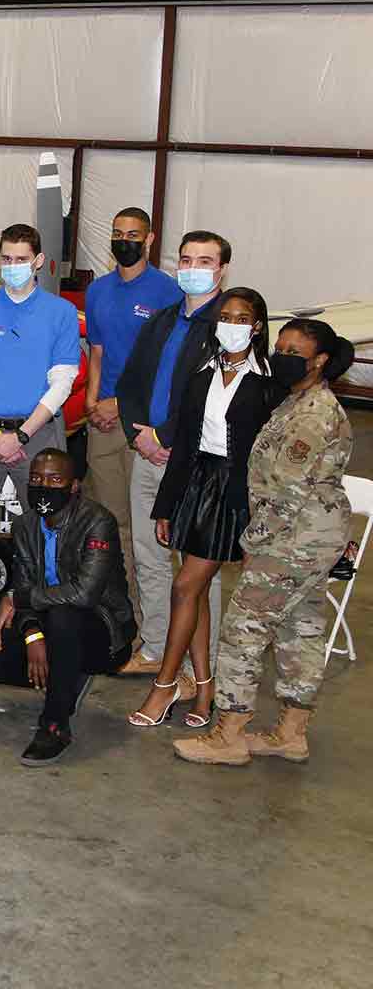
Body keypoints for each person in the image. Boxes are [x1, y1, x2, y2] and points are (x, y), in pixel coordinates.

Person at [175, 319, 356, 766]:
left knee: (243, 631)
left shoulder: (312, 414)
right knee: (301, 632)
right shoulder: (297, 401)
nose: (283, 354)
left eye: (296, 350)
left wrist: (253, 541)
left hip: (292, 540)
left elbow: (287, 492)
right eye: (281, 345)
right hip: (310, 539)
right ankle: (291, 733)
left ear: (320, 361)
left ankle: (229, 734)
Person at [130, 288, 275, 729]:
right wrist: (166, 506)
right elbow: (184, 447)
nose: (231, 325)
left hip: (235, 494)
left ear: (257, 326)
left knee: (185, 586)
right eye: (225, 317)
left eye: (242, 317)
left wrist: (259, 517)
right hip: (195, 485)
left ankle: (166, 684)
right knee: (196, 592)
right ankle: (206, 686)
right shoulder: (202, 374)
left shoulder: (270, 381)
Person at [0, 448, 136, 765]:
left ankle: (55, 724)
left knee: (63, 616)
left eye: (55, 479)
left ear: (74, 486)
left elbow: (84, 594)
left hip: (104, 628)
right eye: (36, 479)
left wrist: (18, 600)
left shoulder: (98, 522)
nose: (44, 486)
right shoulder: (24, 525)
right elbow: (25, 582)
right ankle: (67, 675)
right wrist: (31, 634)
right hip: (48, 621)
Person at [115, 230, 231, 674]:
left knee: (196, 571)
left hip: (194, 464)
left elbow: (211, 402)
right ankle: (157, 645)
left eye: (205, 261)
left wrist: (165, 437)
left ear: (221, 270)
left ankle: (200, 666)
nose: (193, 269)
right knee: (148, 556)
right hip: (146, 455)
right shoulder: (162, 320)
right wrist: (138, 434)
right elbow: (130, 384)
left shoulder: (227, 328)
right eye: (186, 260)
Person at [80, 207, 181, 606]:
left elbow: (168, 366)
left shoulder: (169, 293)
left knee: (147, 527)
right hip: (102, 422)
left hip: (145, 424)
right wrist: (91, 401)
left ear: (150, 240)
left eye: (134, 235)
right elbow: (98, 352)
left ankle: (151, 615)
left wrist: (117, 404)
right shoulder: (99, 290)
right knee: (110, 520)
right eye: (118, 233)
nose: (125, 241)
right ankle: (120, 606)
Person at [0, 223, 82, 506]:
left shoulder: (62, 312)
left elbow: (62, 384)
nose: (12, 266)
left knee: (44, 521)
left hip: (40, 435)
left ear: (37, 261)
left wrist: (21, 436)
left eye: (21, 259)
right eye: (6, 259)